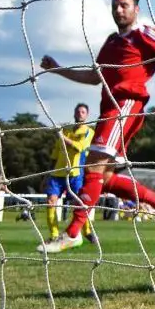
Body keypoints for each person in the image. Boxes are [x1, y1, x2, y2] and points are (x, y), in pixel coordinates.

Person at [37, 0, 155, 253]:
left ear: (136, 9)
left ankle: (73, 232)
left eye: (124, 5)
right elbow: (95, 78)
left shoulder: (145, 34)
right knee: (103, 178)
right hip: (110, 109)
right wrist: (58, 69)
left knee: (93, 164)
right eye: (115, 5)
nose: (119, 10)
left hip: (126, 105)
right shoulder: (112, 42)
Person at [43, 103, 97, 244]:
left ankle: (87, 232)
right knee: (50, 203)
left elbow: (79, 147)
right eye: (78, 111)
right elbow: (54, 155)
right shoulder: (65, 131)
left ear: (87, 115)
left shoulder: (89, 132)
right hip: (56, 175)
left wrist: (61, 137)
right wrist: (47, 175)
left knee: (79, 204)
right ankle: (54, 235)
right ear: (74, 113)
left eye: (83, 112)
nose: (80, 113)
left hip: (75, 174)